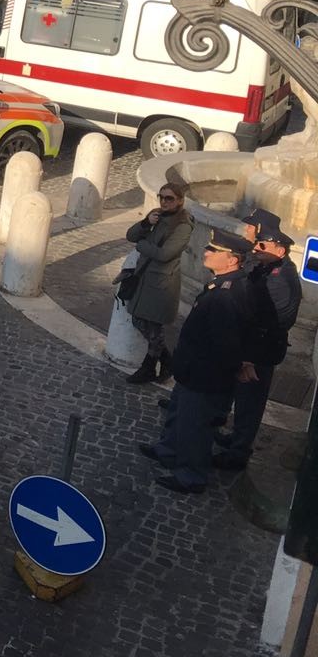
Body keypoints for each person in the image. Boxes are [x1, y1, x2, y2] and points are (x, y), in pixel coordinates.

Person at [140, 230, 250, 494]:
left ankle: (191, 475)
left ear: (232, 260)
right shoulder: (221, 284)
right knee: (179, 415)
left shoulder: (226, 294)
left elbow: (226, 346)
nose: (207, 252)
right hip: (192, 371)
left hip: (205, 376)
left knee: (196, 426)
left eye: (214, 250)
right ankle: (168, 450)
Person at [216, 209, 303, 471]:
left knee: (251, 402)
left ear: (280, 250)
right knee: (241, 397)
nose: (257, 249)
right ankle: (235, 438)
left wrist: (250, 356)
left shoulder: (281, 280)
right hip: (250, 345)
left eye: (262, 245)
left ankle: (239, 451)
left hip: (260, 351)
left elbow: (274, 321)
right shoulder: (266, 266)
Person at [120, 181, 194, 383]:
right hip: (144, 279)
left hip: (161, 285)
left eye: (169, 198)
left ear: (180, 200)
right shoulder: (157, 216)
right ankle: (166, 362)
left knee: (152, 326)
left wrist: (142, 245)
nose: (164, 201)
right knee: (139, 320)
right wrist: (145, 223)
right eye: (161, 197)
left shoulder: (183, 225)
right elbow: (130, 236)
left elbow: (165, 254)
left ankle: (149, 367)